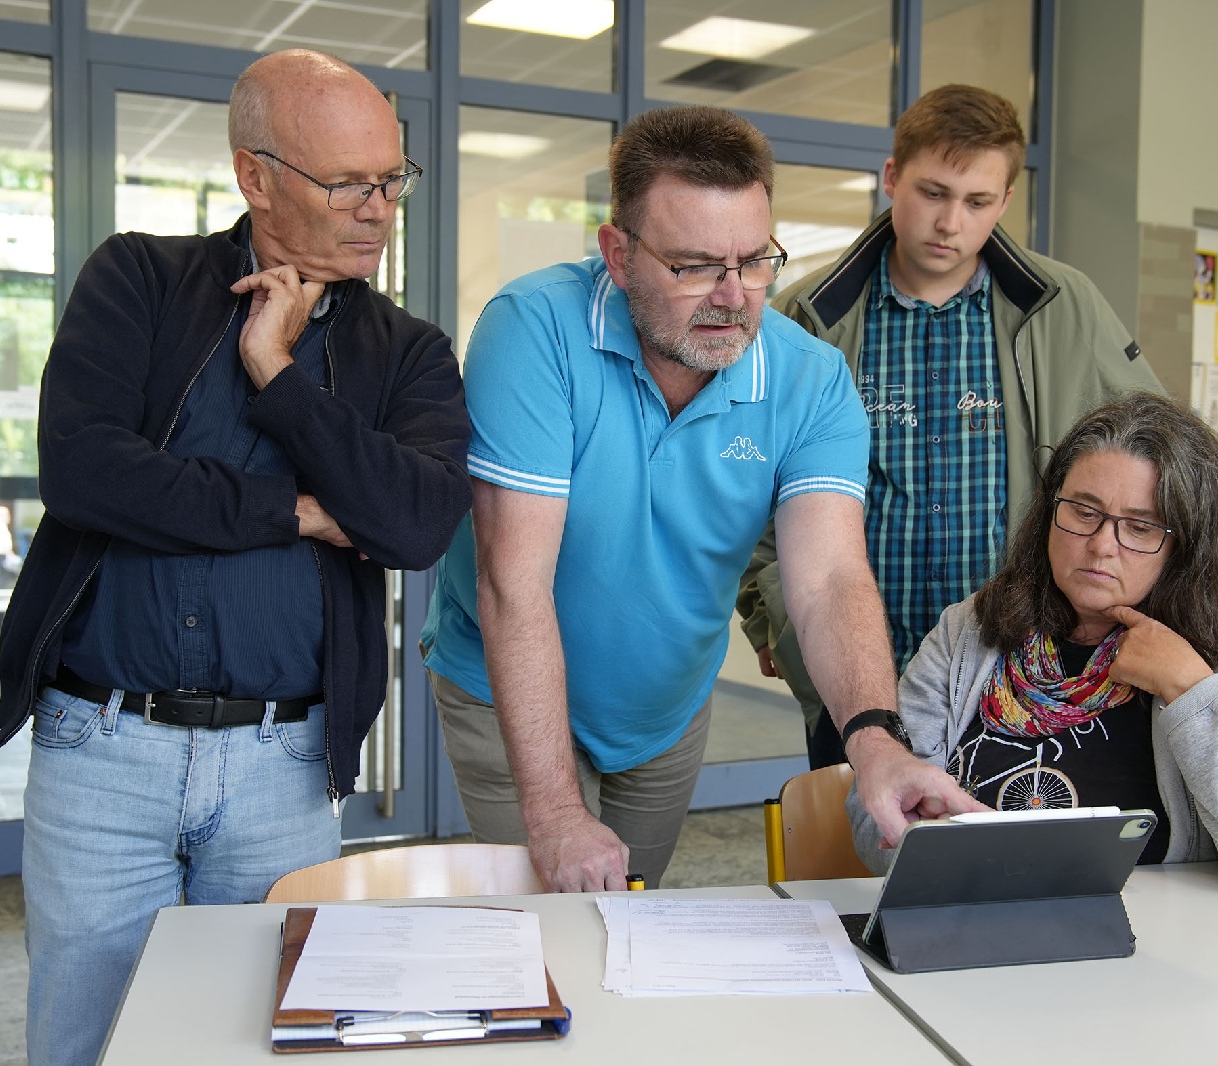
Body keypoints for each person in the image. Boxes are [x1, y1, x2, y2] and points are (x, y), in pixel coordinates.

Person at [0, 50, 470, 1066]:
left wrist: (275, 372)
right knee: (86, 1040)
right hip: (100, 749)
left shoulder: (409, 351)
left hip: (282, 766)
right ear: (256, 176)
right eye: (348, 184)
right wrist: (300, 511)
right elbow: (85, 474)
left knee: (260, 1039)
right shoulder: (138, 279)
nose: (380, 210)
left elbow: (417, 523)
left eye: (393, 179)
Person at [420, 105, 983, 894]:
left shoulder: (810, 379)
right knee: (554, 916)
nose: (734, 296)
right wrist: (554, 813)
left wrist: (876, 743)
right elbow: (514, 582)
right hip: (502, 688)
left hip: (665, 707)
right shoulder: (534, 330)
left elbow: (828, 580)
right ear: (619, 255)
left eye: (755, 262)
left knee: (633, 914)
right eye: (694, 267)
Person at [739, 84, 1164, 768]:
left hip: (1017, 676)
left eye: (976, 202)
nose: (950, 223)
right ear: (891, 177)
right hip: (854, 674)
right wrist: (769, 617)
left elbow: (1156, 456)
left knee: (1008, 834)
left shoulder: (1066, 308)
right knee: (861, 835)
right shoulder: (805, 318)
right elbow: (743, 478)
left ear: (1005, 200)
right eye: (933, 192)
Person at [847, 392, 1218, 904]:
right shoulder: (970, 633)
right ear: (1050, 512)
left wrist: (1190, 689)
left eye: (1140, 526)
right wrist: (925, 844)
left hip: (1158, 940)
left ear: (1186, 548)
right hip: (974, 919)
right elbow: (876, 819)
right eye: (1083, 511)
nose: (1101, 544)